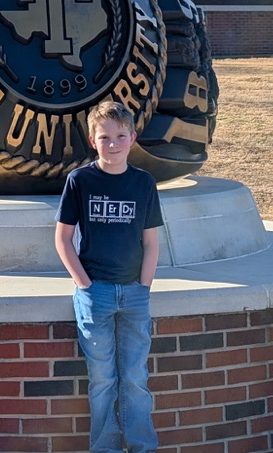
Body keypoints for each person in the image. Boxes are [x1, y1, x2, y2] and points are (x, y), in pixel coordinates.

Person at [55, 100, 163, 453]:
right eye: (104, 137)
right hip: (95, 293)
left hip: (134, 293)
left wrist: (144, 287)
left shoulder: (143, 183)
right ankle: (105, 448)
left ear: (132, 138)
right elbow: (63, 239)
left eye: (120, 136)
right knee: (102, 379)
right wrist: (84, 285)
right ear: (92, 140)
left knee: (135, 378)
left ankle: (142, 446)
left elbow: (151, 242)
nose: (112, 144)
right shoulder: (80, 181)